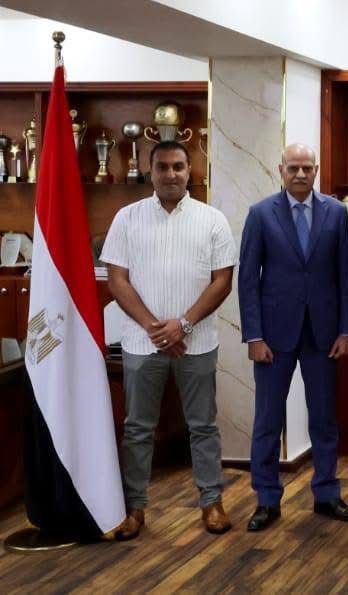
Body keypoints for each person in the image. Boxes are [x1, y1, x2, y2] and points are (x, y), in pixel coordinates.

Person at [101, 140, 237, 538]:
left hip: (197, 342)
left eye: (178, 166)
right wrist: (154, 328)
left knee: (203, 426)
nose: (171, 174)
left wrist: (183, 325)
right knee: (137, 428)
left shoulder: (212, 220)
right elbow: (117, 280)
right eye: (163, 167)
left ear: (190, 170)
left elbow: (222, 281)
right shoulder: (127, 218)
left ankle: (211, 503)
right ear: (151, 171)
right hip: (142, 343)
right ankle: (134, 509)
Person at [238, 143, 348, 531]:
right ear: (281, 170)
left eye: (307, 168)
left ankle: (326, 494)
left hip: (323, 335)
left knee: (324, 419)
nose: (301, 174)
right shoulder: (261, 214)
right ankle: (266, 499)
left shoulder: (336, 213)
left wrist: (345, 330)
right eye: (293, 168)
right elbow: (248, 281)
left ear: (316, 170)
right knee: (267, 421)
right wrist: (254, 336)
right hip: (273, 337)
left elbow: (345, 276)